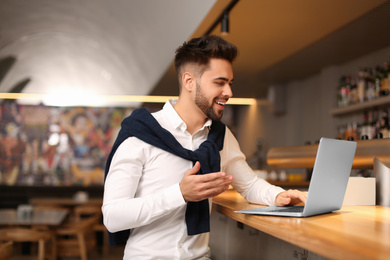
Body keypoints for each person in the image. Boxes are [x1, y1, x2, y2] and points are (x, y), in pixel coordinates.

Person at [102, 35, 307, 259]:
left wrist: (280, 196)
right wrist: (180, 193)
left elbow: (249, 185)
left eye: (230, 83)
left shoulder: (221, 136)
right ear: (189, 82)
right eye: (219, 83)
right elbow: (113, 217)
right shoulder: (140, 135)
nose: (229, 93)